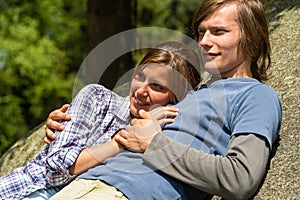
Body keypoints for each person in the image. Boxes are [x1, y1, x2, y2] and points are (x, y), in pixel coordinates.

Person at [47, 0, 282, 199]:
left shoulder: (256, 95)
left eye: (218, 32)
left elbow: (240, 178)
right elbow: (123, 124)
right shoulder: (191, 94)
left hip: (127, 193)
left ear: (251, 36)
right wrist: (64, 125)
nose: (204, 41)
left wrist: (153, 144)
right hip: (83, 185)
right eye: (201, 32)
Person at [0, 41, 201, 200]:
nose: (141, 91)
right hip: (28, 191)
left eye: (157, 86)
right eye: (140, 76)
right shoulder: (97, 99)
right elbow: (56, 170)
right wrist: (121, 141)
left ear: (175, 98)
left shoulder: (170, 130)